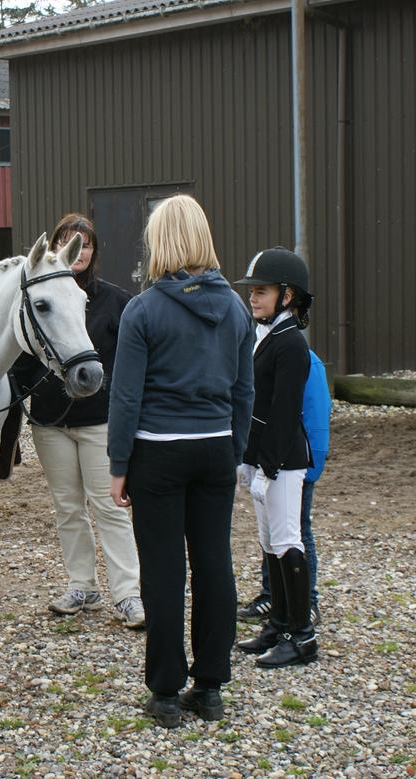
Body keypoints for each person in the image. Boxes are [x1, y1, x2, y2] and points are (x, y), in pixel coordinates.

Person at [107, 195, 255, 729]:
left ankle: (166, 692)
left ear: (159, 241)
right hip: (215, 447)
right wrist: (233, 449)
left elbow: (126, 397)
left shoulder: (143, 310)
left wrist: (118, 462)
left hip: (158, 450)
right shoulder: (236, 308)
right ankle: (211, 686)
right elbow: (244, 390)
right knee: (215, 562)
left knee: (164, 572)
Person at [11, 214, 145, 629]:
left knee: (109, 506)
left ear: (94, 252)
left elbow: (129, 363)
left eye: (85, 245)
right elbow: (19, 359)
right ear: (54, 247)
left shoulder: (115, 302)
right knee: (68, 507)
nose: (79, 251)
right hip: (51, 423)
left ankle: (127, 593)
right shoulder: (36, 298)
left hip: (98, 421)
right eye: (70, 242)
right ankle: (82, 584)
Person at [232, 247, 319, 669]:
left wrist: (266, 465)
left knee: (287, 541)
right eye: (252, 291)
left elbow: (283, 413)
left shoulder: (291, 346)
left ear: (287, 296)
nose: (253, 298)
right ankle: (279, 623)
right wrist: (247, 459)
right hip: (263, 458)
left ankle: (302, 635)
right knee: (269, 542)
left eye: (262, 291)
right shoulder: (266, 338)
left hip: (284, 460)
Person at [237, 349, 331, 626]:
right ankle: (273, 596)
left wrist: (312, 466)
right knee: (270, 531)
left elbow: (316, 413)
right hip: (268, 460)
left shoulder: (306, 360)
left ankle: (307, 602)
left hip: (295, 462)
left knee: (297, 530)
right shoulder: (261, 354)